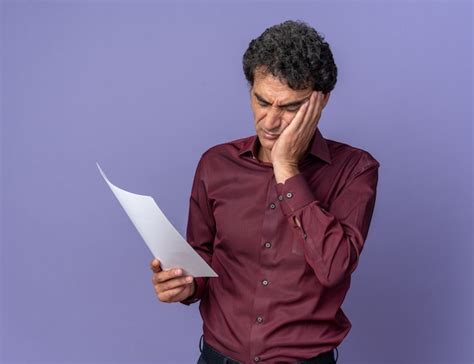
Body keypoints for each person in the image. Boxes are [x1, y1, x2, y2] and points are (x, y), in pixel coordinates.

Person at [150, 20, 380, 364]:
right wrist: (186, 285)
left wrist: (285, 167)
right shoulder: (216, 164)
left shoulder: (355, 170)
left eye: (290, 107)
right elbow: (203, 257)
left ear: (321, 100)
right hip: (218, 357)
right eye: (262, 102)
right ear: (250, 91)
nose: (270, 122)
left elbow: (334, 268)